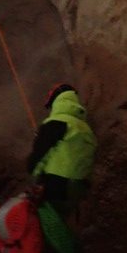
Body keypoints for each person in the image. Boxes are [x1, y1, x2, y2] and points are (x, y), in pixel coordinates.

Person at [27, 82, 96, 218]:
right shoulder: (85, 129)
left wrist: (33, 175)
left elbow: (40, 153)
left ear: (56, 101)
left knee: (47, 225)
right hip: (78, 188)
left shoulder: (56, 122)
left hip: (56, 184)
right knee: (61, 224)